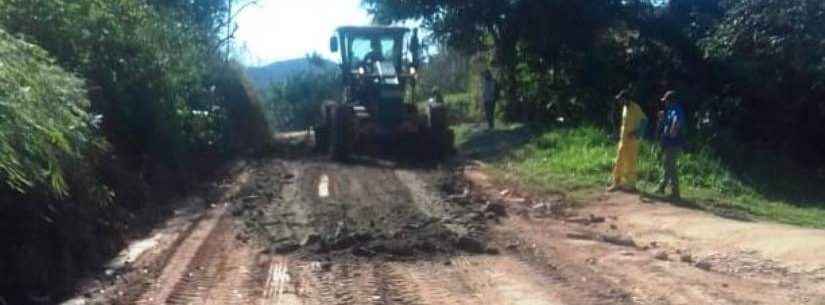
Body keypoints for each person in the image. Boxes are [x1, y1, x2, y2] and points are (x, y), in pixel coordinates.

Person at [608, 89, 648, 192]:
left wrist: (636, 132)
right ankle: (616, 182)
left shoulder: (635, 108)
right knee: (619, 160)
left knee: (631, 162)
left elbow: (644, 120)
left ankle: (631, 185)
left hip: (632, 140)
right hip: (623, 139)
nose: (619, 101)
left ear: (626, 99)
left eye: (621, 99)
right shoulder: (625, 108)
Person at [656, 90, 686, 199]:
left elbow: (677, 122)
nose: (664, 103)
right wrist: (661, 118)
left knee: (671, 166)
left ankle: (675, 191)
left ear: (670, 101)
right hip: (667, 142)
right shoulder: (669, 110)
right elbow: (665, 124)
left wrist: (673, 131)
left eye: (666, 101)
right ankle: (662, 186)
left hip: (674, 143)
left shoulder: (677, 110)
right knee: (666, 165)